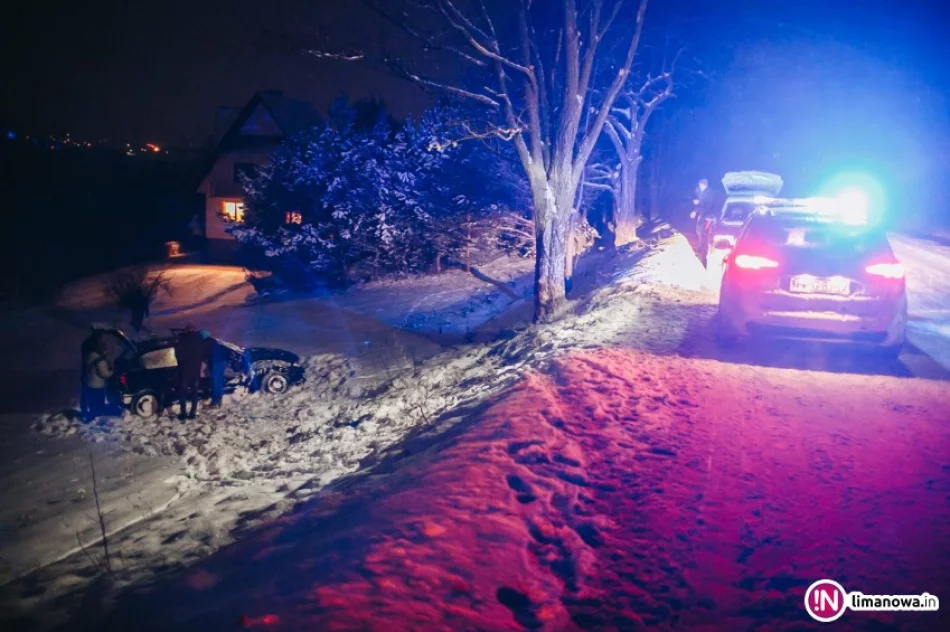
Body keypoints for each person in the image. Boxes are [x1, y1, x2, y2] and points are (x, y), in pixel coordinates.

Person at [174, 324, 207, 421]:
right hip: (195, 371)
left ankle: (183, 413)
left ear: (186, 330)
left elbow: (178, 355)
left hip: (184, 371)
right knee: (194, 393)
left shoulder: (182, 340)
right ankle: (192, 413)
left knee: (183, 393)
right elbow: (203, 355)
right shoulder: (200, 341)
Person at [82, 334, 117, 419]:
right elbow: (104, 373)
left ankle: (93, 411)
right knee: (98, 399)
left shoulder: (89, 356)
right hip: (98, 384)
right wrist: (112, 372)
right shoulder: (99, 361)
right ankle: (98, 413)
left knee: (92, 401)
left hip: (90, 383)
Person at [200, 330, 227, 407]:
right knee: (219, 382)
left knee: (215, 383)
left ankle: (215, 402)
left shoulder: (205, 343)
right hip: (221, 362)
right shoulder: (214, 341)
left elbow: (203, 355)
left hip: (215, 363)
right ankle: (219, 399)